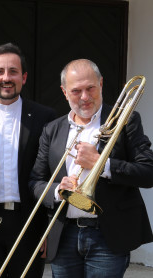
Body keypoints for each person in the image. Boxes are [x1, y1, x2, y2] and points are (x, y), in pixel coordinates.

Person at [29, 58, 153, 278]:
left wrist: (101, 164)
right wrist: (58, 190)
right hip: (64, 233)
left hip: (107, 235)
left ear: (101, 84)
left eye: (90, 88)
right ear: (64, 92)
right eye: (76, 91)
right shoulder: (52, 130)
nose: (84, 97)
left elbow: (148, 172)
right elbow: (36, 182)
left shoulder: (126, 121)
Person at [0, 42, 56, 278]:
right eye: (0, 72)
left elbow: (50, 173)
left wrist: (48, 228)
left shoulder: (45, 117)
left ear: (24, 77)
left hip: (29, 224)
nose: (7, 77)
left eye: (13, 71)